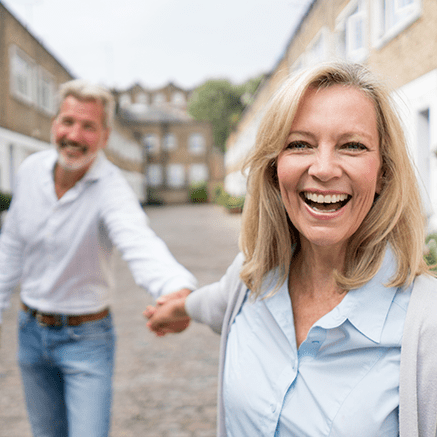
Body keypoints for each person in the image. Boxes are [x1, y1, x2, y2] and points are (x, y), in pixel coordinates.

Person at [146, 61, 437, 437]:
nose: (325, 168)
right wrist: (177, 308)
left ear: (383, 172)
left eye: (352, 145)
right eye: (300, 143)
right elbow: (215, 302)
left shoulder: (426, 325)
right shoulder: (251, 278)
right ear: (273, 167)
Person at [0, 79, 197, 437]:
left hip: (86, 339)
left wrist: (176, 288)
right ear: (54, 124)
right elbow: (10, 246)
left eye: (88, 126)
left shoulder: (112, 187)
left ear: (105, 136)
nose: (74, 135)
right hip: (30, 331)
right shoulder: (30, 171)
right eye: (68, 121)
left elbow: (139, 241)